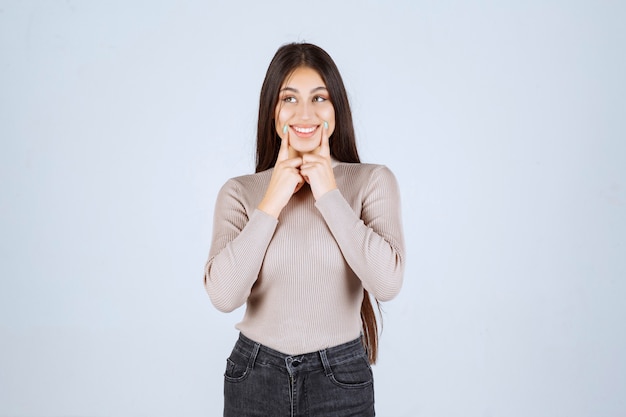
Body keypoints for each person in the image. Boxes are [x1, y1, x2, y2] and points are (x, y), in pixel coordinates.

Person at [204, 42, 405, 417]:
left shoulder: (371, 182)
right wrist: (273, 199)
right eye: (290, 98)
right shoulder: (241, 192)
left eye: (319, 97)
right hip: (255, 376)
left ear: (336, 109)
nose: (305, 112)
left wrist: (328, 192)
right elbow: (224, 295)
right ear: (273, 111)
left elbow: (387, 283)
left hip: (340, 377)